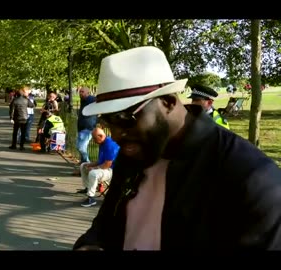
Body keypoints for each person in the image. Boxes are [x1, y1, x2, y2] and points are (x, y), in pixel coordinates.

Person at [74, 46, 281, 251]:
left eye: (125, 119)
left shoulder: (251, 177)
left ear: (168, 102)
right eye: (108, 121)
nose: (117, 134)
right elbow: (106, 222)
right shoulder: (133, 155)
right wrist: (90, 244)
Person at [76, 127, 120, 207]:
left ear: (100, 136)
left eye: (94, 138)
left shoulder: (110, 145)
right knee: (83, 165)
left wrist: (94, 168)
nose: (93, 140)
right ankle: (87, 188)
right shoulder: (102, 143)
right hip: (105, 167)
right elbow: (100, 161)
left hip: (112, 170)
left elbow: (108, 164)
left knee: (93, 173)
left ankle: (91, 198)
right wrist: (89, 165)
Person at [73, 87, 97, 176]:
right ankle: (82, 169)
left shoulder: (90, 99)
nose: (80, 93)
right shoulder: (83, 100)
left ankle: (87, 165)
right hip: (82, 128)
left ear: (88, 92)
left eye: (83, 92)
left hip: (88, 128)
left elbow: (97, 100)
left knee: (81, 147)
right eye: (80, 92)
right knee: (79, 147)